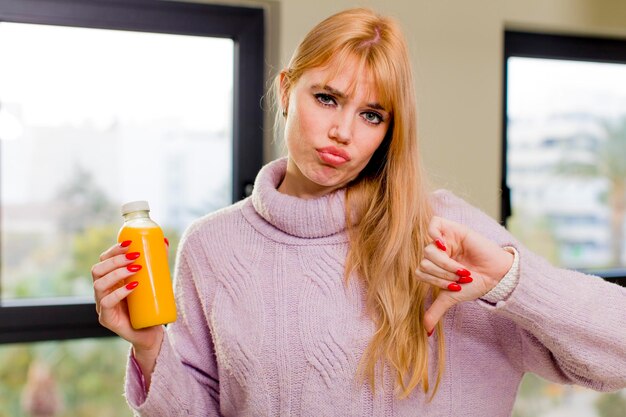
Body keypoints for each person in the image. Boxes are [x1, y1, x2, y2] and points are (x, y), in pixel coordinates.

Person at [91, 8, 626, 417]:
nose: (343, 132)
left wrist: (513, 280)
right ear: (286, 90)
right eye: (327, 98)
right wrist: (149, 346)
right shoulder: (213, 246)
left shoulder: (443, 236)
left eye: (371, 114)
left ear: (389, 131)